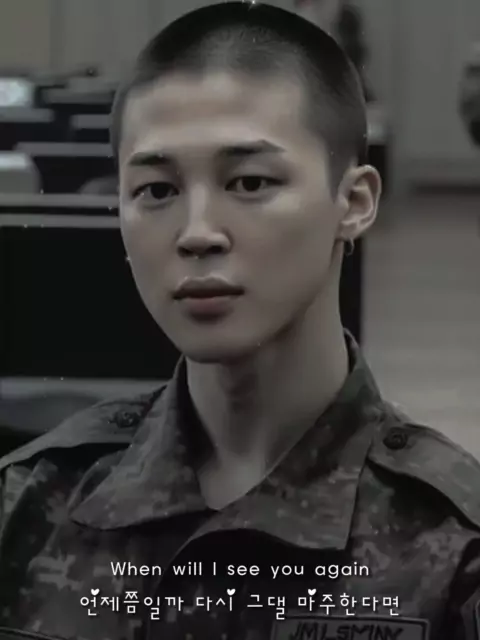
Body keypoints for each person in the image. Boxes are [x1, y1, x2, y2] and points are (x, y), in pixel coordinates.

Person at [0, 3, 478, 639]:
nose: (197, 233)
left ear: (354, 201)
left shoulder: (455, 550)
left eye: (250, 183)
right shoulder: (28, 507)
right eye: (157, 191)